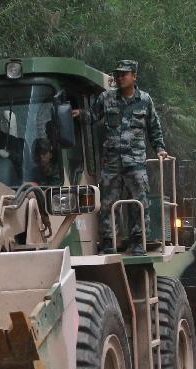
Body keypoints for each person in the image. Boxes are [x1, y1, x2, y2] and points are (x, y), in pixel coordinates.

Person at [75, 59, 168, 255]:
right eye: (117, 74)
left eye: (124, 74)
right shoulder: (106, 98)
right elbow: (93, 116)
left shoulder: (145, 100)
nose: (120, 78)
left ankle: (138, 242)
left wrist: (160, 148)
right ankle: (109, 242)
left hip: (136, 162)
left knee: (139, 202)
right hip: (112, 162)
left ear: (134, 76)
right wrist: (78, 114)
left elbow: (154, 128)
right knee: (108, 203)